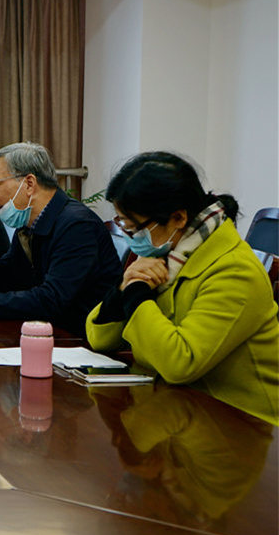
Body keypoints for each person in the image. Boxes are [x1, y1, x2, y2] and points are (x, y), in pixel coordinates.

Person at [85, 152, 278, 425]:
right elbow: (99, 339)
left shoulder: (235, 270)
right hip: (175, 409)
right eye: (124, 226)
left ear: (178, 218)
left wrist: (137, 294)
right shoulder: (170, 253)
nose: (133, 238)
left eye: (136, 228)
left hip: (237, 424)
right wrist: (122, 289)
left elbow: (180, 364)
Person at [0, 141, 121, 339]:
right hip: (43, 332)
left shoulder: (77, 225)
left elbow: (51, 300)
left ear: (29, 184)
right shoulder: (29, 224)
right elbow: (2, 284)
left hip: (79, 339)